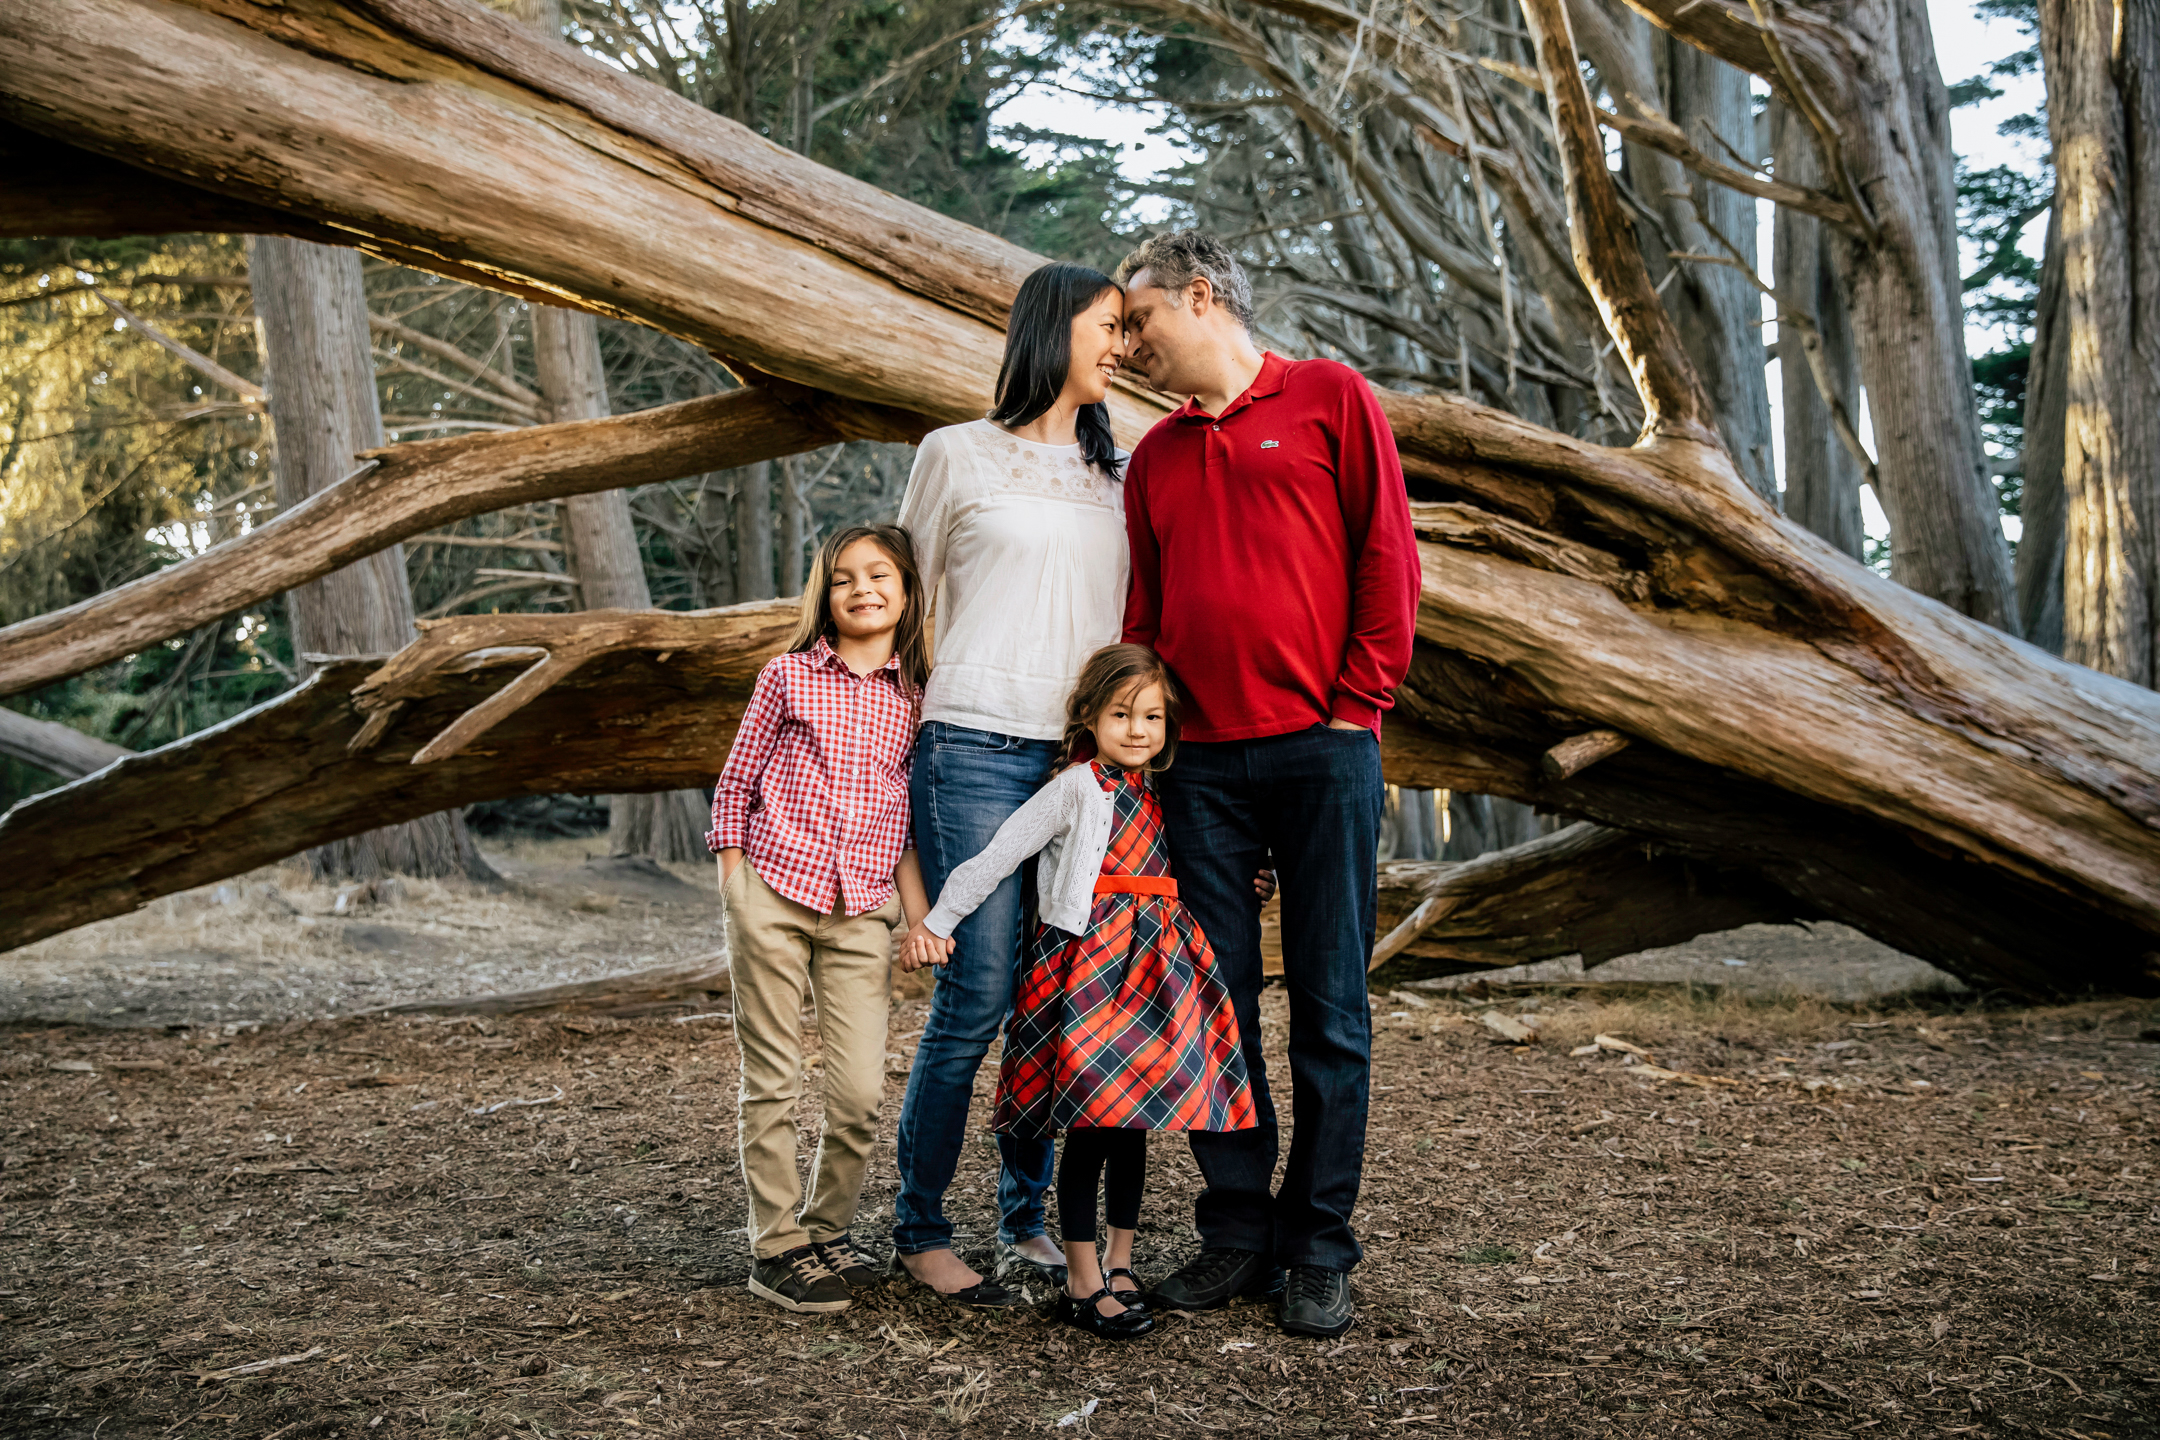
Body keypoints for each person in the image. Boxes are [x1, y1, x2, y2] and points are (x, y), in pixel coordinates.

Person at [1115, 230, 1422, 1339]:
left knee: (1332, 1013)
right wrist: (1143, 746)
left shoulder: (1331, 398)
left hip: (1322, 754)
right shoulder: (1152, 460)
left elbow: (1389, 557)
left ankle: (1319, 1247)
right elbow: (1143, 620)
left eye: (1141, 321)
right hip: (1198, 772)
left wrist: (1357, 705)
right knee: (1215, 1009)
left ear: (1201, 297)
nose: (1130, 345)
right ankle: (1238, 1234)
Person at [885, 262, 1136, 1305]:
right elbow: (905, 612)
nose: (1120, 344)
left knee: (1054, 1002)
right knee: (980, 990)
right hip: (975, 750)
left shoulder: (1127, 474)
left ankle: (1026, 1217)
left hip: (1084, 765)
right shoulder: (955, 454)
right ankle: (920, 1225)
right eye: (1107, 325)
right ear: (1051, 328)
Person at [900, 644, 1257, 1340]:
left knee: (1134, 1123)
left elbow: (1200, 865)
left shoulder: (1167, 790)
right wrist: (935, 922)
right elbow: (999, 852)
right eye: (1121, 714)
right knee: (1093, 1123)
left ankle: (1122, 1261)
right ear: (1089, 716)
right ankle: (1081, 1271)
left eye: (1151, 716)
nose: (1137, 729)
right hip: (1088, 969)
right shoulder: (1074, 788)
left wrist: (1252, 882)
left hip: (1155, 971)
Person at [707, 524, 936, 1315]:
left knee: (860, 1093)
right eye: (843, 578)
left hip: (860, 910)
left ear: (906, 591)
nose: (862, 589)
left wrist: (916, 918)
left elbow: (907, 822)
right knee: (771, 1078)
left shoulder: (920, 697)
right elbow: (734, 784)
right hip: (772, 893)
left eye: (880, 575)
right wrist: (736, 882)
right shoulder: (788, 677)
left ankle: (826, 1228)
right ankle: (775, 1246)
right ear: (824, 596)